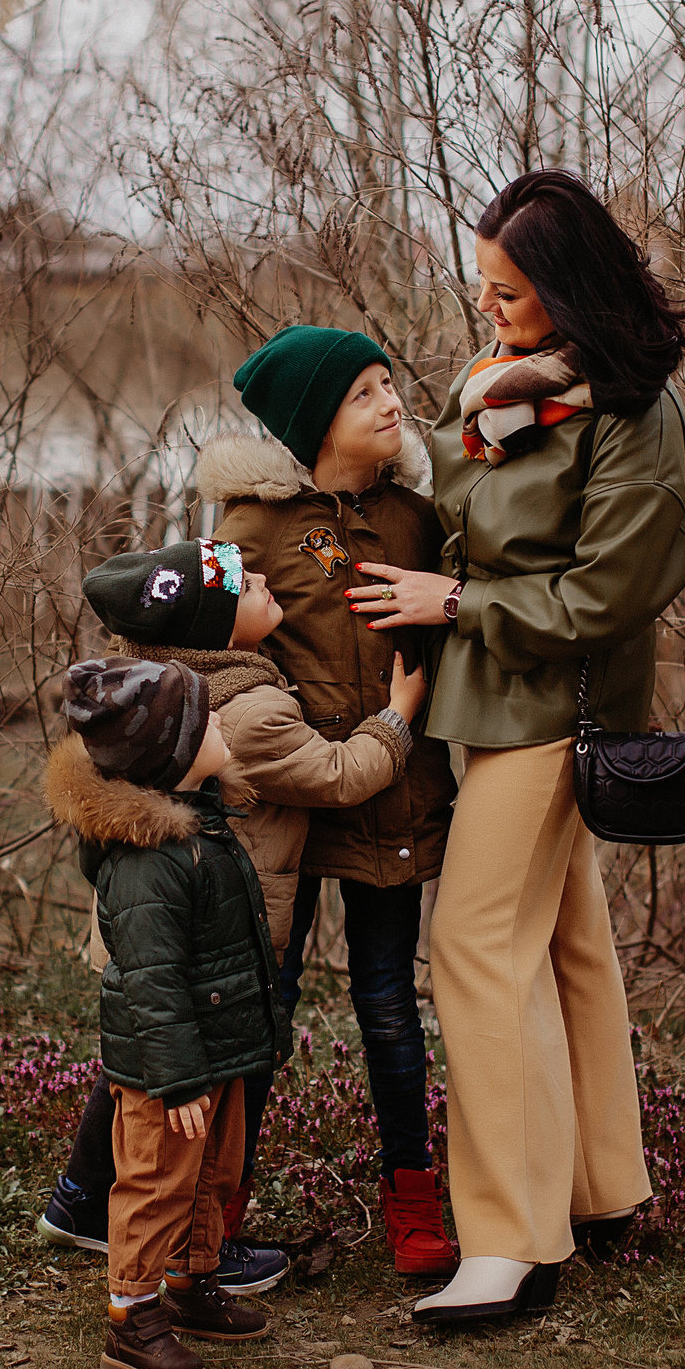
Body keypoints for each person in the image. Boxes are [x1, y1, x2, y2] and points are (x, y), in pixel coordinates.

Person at [349, 169, 685, 1324]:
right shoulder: (507, 391)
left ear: (566, 289)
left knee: (474, 939)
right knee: (563, 944)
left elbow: (611, 595)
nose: (485, 305)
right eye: (482, 284)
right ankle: (601, 1190)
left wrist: (453, 606)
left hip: (562, 705)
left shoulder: (635, 417)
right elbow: (467, 518)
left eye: (505, 289)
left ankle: (511, 1241)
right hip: (487, 698)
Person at [38, 530, 432, 1284]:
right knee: (202, 1087)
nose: (266, 585)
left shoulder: (161, 687)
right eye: (248, 587)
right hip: (210, 930)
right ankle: (191, 1247)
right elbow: (342, 773)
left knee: (137, 1060)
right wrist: (399, 714)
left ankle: (79, 1201)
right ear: (217, 633)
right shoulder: (245, 712)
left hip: (147, 922)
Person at [201, 324, 462, 1276]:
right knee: (264, 1007)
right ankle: (214, 1213)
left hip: (393, 797)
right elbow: (212, 650)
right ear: (317, 424)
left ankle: (413, 1199)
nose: (392, 403)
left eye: (389, 384)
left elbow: (460, 620)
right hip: (285, 810)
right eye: (364, 394)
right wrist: (267, 733)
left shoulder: (417, 520)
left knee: (390, 1003)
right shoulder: (252, 529)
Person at [51, 655, 286, 1369]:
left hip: (218, 1051)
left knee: (211, 1174)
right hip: (168, 1069)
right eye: (208, 719)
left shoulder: (205, 823)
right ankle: (132, 1312)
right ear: (175, 757)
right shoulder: (149, 861)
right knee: (155, 1183)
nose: (223, 721)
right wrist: (179, 1079)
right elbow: (152, 983)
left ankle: (190, 1281)